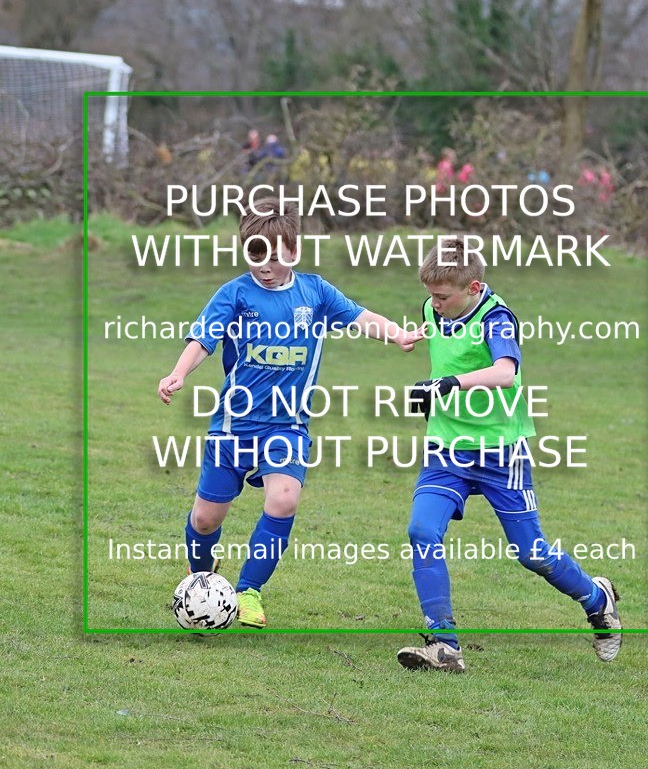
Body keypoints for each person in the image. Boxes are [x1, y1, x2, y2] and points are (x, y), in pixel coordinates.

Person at [157, 197, 420, 628]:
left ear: (294, 250)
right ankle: (201, 577)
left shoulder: (314, 292)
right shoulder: (235, 294)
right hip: (232, 427)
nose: (266, 263)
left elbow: (359, 316)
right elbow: (204, 339)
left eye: (276, 254)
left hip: (287, 426)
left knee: (283, 499)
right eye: (256, 252)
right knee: (205, 520)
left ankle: (248, 592)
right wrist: (178, 373)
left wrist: (396, 334)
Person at [396, 237, 622, 672]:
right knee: (422, 531)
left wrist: (449, 384)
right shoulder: (434, 310)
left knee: (530, 551)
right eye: (431, 296)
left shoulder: (496, 317)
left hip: (502, 453)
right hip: (447, 449)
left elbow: (504, 371)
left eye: (443, 296)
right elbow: (443, 346)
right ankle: (444, 645)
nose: (434, 304)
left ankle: (598, 600)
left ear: (474, 287)